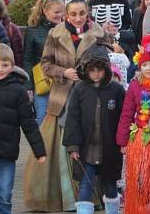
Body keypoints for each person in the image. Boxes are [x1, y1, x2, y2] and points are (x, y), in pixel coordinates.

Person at [24, 0, 112, 212]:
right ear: (66, 14)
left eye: (82, 13)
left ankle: (92, 195)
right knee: (62, 148)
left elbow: (106, 63)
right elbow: (45, 64)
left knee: (90, 144)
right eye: (73, 13)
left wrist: (85, 73)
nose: (78, 17)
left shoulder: (98, 33)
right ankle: (67, 196)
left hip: (90, 97)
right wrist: (64, 72)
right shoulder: (56, 33)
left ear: (87, 13)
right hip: (62, 98)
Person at [62, 45, 125, 214]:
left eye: (100, 70)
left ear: (106, 70)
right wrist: (73, 145)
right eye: (92, 70)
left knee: (110, 185)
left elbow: (124, 118)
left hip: (110, 147)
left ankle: (113, 210)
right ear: (86, 70)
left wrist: (124, 141)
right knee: (85, 184)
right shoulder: (79, 89)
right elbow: (72, 118)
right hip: (86, 147)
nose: (96, 74)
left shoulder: (117, 90)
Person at [0, 43, 46, 214]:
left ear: (12, 67)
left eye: (4, 65)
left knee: (4, 195)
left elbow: (29, 123)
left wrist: (39, 150)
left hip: (6, 152)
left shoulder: (18, 91)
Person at [116, 35, 150, 214]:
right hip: (140, 136)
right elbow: (126, 113)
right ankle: (141, 207)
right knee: (141, 175)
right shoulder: (134, 86)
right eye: (145, 65)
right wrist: (122, 141)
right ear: (140, 67)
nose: (148, 68)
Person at [23, 0, 65, 125]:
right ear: (45, 11)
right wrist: (28, 86)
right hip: (42, 81)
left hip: (62, 80)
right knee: (42, 118)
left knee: (61, 119)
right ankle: (42, 146)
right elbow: (28, 59)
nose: (60, 15)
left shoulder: (65, 28)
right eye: (56, 12)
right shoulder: (33, 30)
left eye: (62, 12)